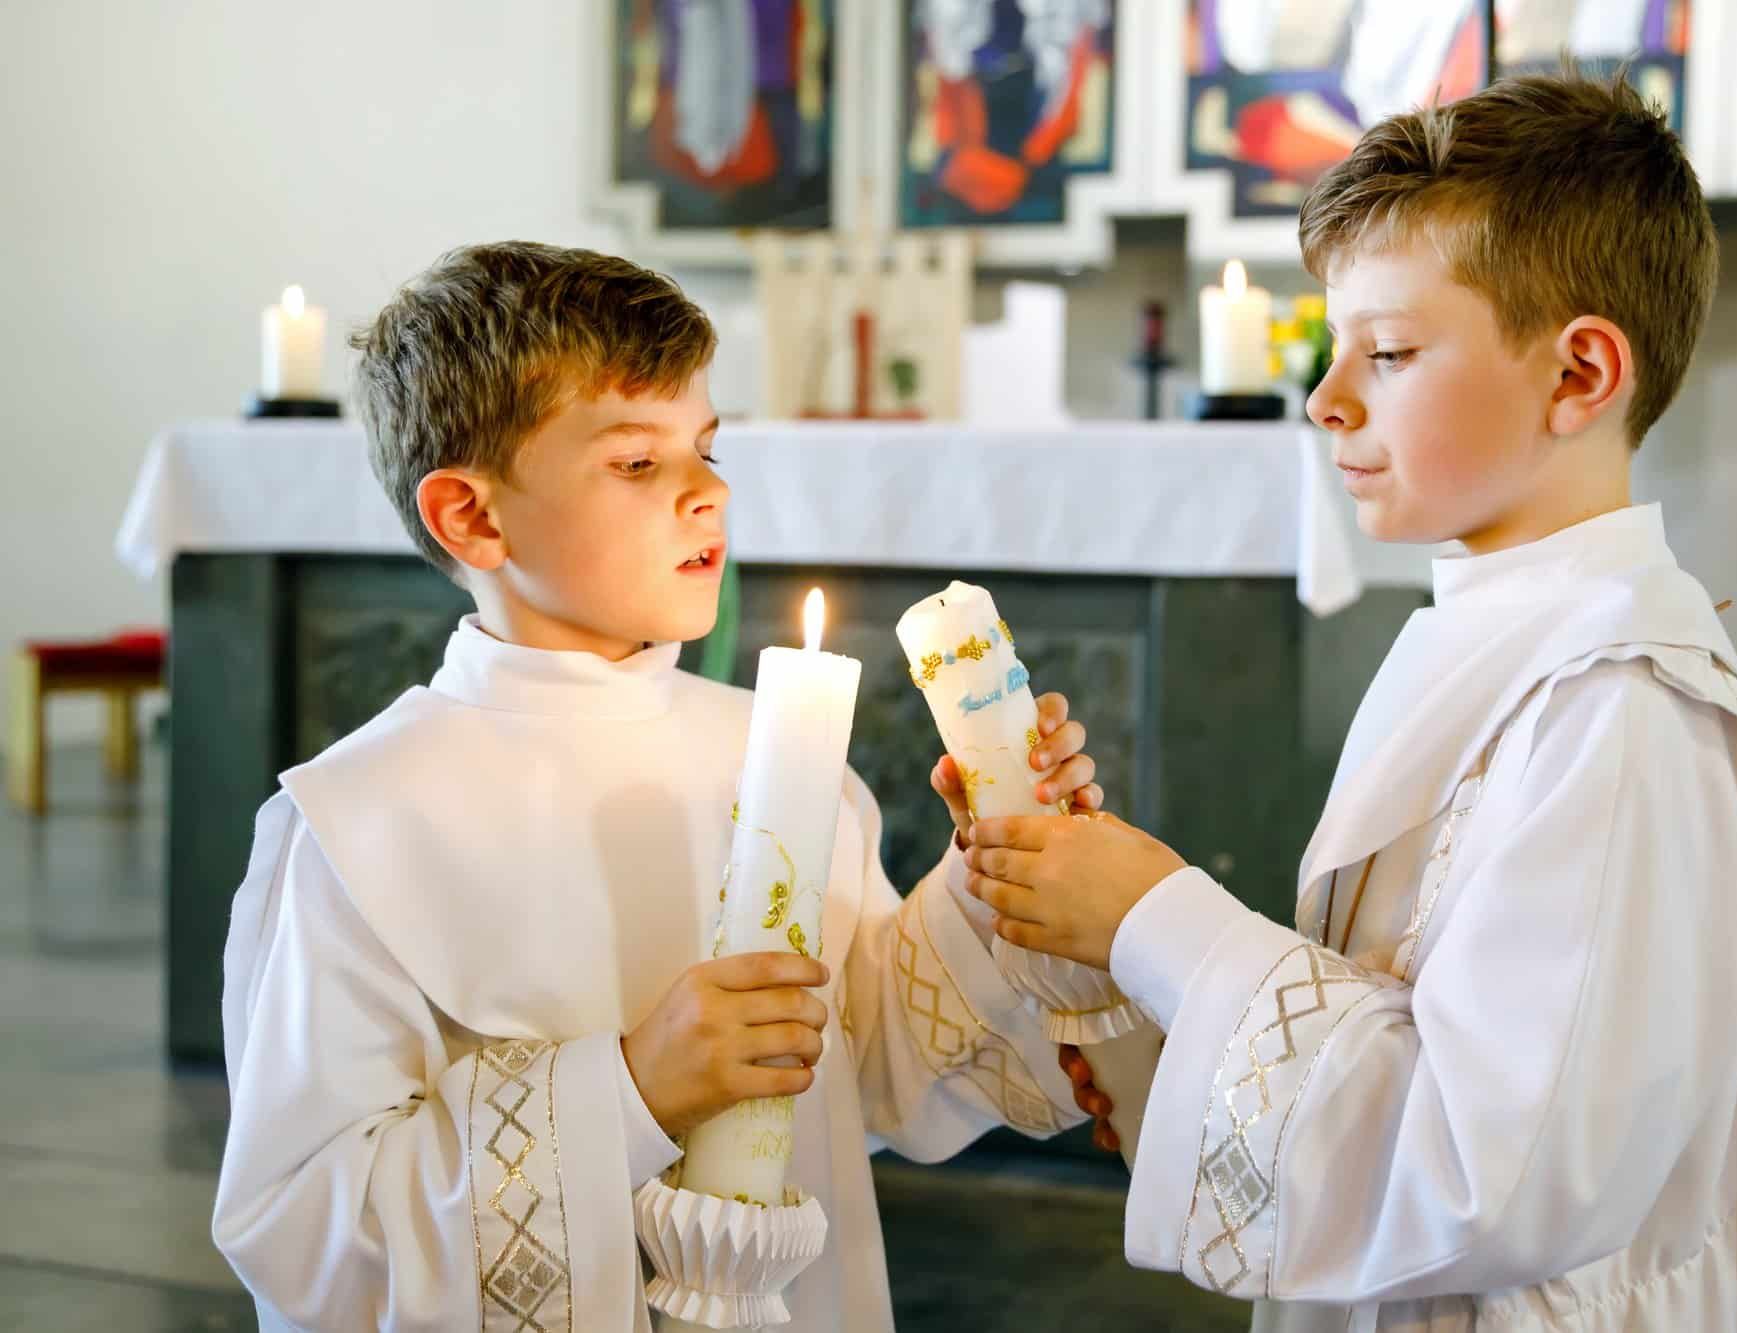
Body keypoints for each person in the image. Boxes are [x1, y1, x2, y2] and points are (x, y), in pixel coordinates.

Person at [965, 72, 1737, 1331]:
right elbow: (1398, 994)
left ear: (1578, 372)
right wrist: (1146, 1012)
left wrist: (1160, 918)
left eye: (1392, 350)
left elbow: (1500, 1172)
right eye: (1332, 346)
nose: (1325, 399)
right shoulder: (1496, 631)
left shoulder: (1620, 712)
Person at [210, 241, 1106, 1330]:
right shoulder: (358, 822)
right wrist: (632, 1089)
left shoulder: (779, 754)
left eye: (708, 449)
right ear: (472, 517)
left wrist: (994, 877)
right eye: (638, 463)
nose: (707, 493)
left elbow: (868, 1069)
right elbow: (309, 1232)